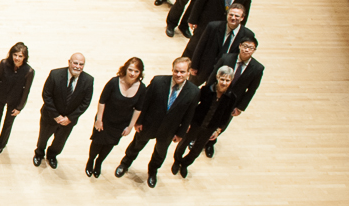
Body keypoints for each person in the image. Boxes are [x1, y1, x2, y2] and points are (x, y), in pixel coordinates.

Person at [116, 56, 200, 188]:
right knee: (136, 145)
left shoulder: (194, 92)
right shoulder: (158, 81)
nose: (179, 74)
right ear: (172, 70)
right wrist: (139, 121)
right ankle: (125, 163)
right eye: (176, 71)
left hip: (169, 129)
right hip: (148, 124)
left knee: (160, 153)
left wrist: (180, 133)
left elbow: (189, 115)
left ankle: (152, 171)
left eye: (182, 72)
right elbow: (145, 102)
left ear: (188, 72)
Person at [171, 66, 238, 178]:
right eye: (222, 79)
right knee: (183, 144)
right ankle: (177, 161)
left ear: (231, 81)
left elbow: (226, 116)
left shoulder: (232, 97)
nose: (224, 83)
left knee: (196, 150)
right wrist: (187, 123)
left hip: (210, 127)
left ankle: (185, 164)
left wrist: (218, 129)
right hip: (196, 123)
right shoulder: (206, 90)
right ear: (217, 77)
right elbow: (193, 107)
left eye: (227, 80)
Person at [86, 57, 147, 178]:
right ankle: (91, 161)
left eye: (136, 71)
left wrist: (130, 127)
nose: (132, 73)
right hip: (105, 119)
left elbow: (138, 109)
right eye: (130, 70)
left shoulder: (142, 88)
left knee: (109, 145)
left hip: (120, 123)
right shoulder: (114, 82)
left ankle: (99, 163)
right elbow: (102, 101)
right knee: (97, 143)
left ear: (140, 73)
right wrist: (99, 120)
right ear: (125, 69)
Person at [33, 53, 95, 169]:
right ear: (69, 62)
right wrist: (56, 116)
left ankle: (52, 155)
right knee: (43, 138)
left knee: (60, 142)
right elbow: (47, 95)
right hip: (50, 116)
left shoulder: (88, 80)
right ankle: (39, 153)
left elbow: (85, 103)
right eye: (75, 63)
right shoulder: (55, 74)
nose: (77, 66)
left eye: (81, 64)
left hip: (68, 121)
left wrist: (69, 118)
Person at [206, 36, 262, 157]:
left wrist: (241, 107)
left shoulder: (258, 68)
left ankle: (210, 143)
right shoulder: (227, 58)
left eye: (251, 48)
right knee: (206, 117)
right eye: (245, 46)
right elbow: (213, 75)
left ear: (254, 50)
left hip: (233, 101)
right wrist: (207, 92)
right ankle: (196, 138)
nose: (247, 50)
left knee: (222, 123)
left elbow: (252, 90)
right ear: (240, 46)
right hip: (217, 94)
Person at [186, 4, 256, 85]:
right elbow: (200, 46)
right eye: (231, 14)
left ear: (242, 18)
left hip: (226, 72)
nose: (233, 18)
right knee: (191, 88)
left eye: (237, 16)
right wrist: (194, 65)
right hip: (205, 67)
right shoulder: (213, 27)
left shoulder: (248, 34)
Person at [0, 42, 34, 153]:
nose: (17, 58)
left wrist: (19, 107)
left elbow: (26, 91)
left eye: (20, 56)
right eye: (15, 55)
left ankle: (1, 144)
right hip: (0, 96)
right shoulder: (4, 63)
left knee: (8, 123)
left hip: (15, 100)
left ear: (25, 57)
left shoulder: (29, 71)